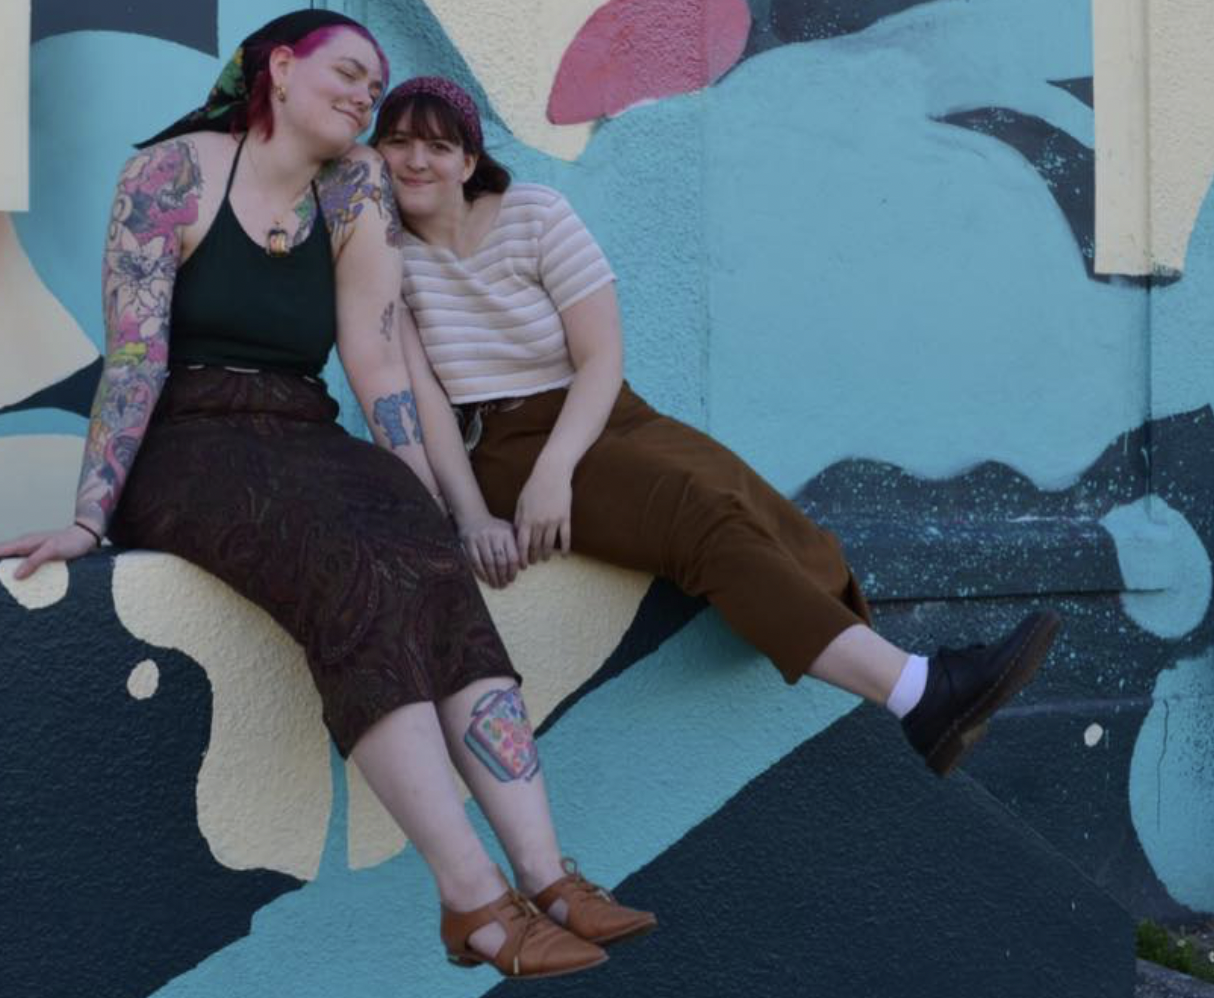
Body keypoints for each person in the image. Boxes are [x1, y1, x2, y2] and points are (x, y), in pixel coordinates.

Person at [0, 15, 655, 979]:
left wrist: (420, 504)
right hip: (189, 442)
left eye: (377, 84)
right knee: (351, 569)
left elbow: (375, 360)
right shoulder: (171, 176)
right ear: (280, 70)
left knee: (427, 566)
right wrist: (90, 515)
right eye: (351, 74)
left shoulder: (357, 184)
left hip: (302, 429)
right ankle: (474, 902)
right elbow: (133, 360)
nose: (370, 96)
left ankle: (549, 875)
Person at [371, 75, 1061, 777]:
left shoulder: (536, 214)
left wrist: (558, 470)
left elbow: (601, 355)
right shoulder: (389, 261)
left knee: (756, 508)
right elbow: (425, 401)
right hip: (505, 445)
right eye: (395, 143)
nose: (415, 161)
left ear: (467, 160)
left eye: (436, 144)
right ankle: (920, 691)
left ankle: (907, 679)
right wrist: (472, 517)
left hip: (601, 411)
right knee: (702, 522)